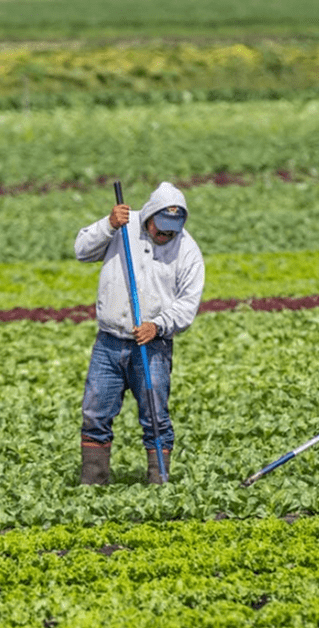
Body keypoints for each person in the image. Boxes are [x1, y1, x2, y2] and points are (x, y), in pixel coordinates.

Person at [75, 182, 205, 485]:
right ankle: (92, 485)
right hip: (108, 343)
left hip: (152, 346)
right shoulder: (123, 226)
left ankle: (158, 484)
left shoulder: (187, 251)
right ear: (148, 215)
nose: (165, 235)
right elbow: (81, 251)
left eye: (171, 230)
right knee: (95, 414)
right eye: (160, 228)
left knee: (156, 419)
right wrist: (107, 225)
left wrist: (157, 325)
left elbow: (187, 305)